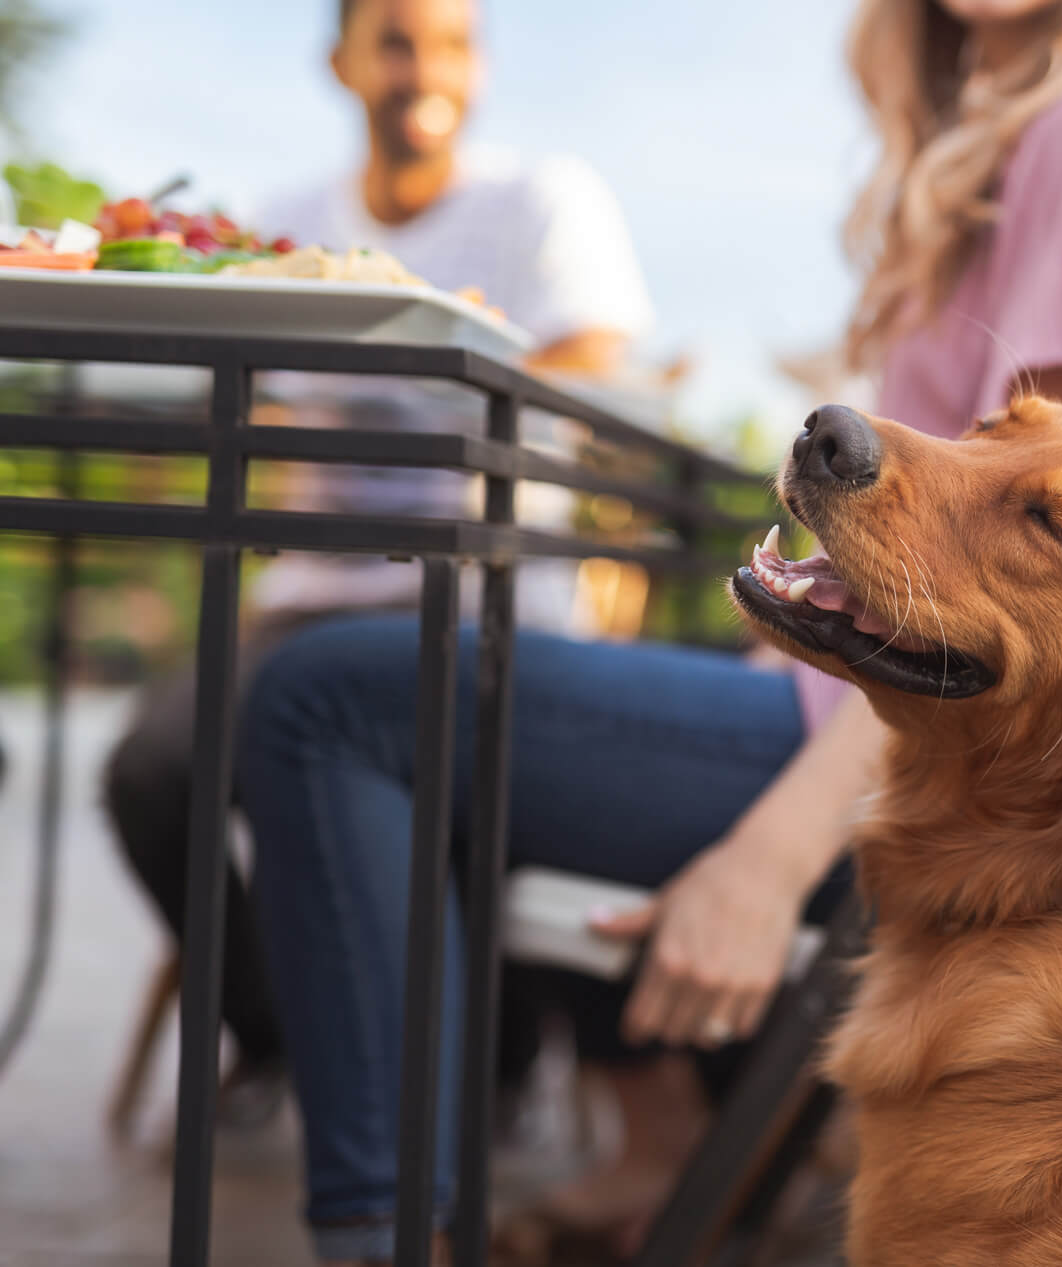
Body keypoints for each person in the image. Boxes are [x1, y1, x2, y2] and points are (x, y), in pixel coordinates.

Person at [236, 1, 1062, 1261]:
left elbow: (1035, 581)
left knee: (327, 700)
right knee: (491, 691)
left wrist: (773, 855)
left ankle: (390, 1238)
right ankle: (653, 1138)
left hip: (879, 767)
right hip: (844, 710)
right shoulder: (1057, 117)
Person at [103, 0, 651, 1127]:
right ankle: (283, 1030)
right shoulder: (289, 218)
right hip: (316, 594)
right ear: (342, 61)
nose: (425, 68)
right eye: (398, 39)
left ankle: (473, 1068)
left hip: (488, 589)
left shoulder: (538, 199)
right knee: (153, 770)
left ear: (481, 65)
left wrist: (393, 384)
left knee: (447, 774)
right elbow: (238, 390)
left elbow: (597, 361)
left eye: (452, 41)